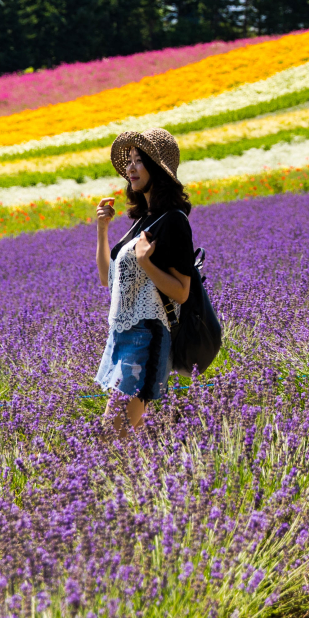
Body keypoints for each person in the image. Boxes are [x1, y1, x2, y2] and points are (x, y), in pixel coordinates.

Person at [93, 126, 195, 437]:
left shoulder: (174, 221)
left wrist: (145, 263)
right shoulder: (140, 221)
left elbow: (182, 291)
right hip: (122, 336)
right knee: (124, 436)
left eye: (139, 161)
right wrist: (102, 230)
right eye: (129, 162)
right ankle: (149, 484)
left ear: (158, 169)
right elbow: (107, 280)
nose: (130, 168)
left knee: (111, 434)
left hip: (146, 337)